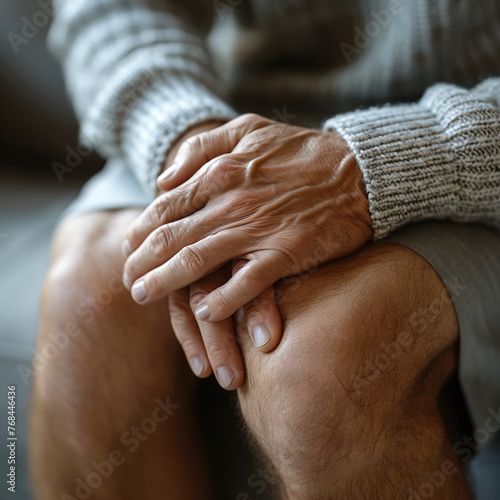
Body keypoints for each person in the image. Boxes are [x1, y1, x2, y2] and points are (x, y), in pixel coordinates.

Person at [31, 0, 500, 498]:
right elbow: (113, 11)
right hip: (240, 121)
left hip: (468, 149)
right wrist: (198, 157)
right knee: (86, 301)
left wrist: (367, 170)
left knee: (317, 368)